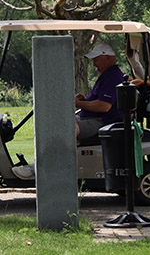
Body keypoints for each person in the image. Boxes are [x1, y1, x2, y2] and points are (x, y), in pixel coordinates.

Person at [12, 42, 125, 180]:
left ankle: (38, 168)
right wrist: (83, 101)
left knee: (64, 128)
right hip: (92, 119)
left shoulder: (112, 77)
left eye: (96, 59)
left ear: (108, 58)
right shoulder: (107, 75)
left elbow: (104, 106)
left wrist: (80, 104)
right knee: (53, 124)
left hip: (102, 121)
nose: (94, 64)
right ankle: (41, 165)